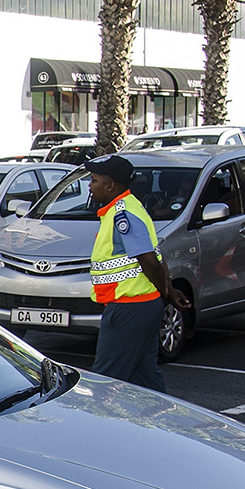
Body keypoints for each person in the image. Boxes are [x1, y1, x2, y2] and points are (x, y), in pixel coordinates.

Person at [85, 154, 190, 393]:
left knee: (105, 380)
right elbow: (156, 253)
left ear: (111, 185)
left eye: (94, 180)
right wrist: (168, 289)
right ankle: (162, 424)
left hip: (129, 307)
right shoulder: (129, 207)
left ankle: (94, 427)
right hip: (140, 305)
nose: (90, 186)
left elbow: (148, 260)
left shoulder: (123, 214)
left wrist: (165, 289)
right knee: (145, 377)